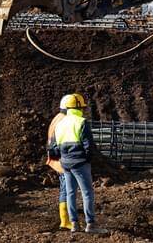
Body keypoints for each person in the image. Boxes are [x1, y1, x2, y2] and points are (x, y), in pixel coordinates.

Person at [48, 93, 107, 235]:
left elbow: (53, 147)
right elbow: (89, 145)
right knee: (87, 193)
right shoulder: (81, 122)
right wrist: (87, 159)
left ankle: (74, 224)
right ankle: (90, 224)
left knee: (70, 193)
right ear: (80, 107)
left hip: (65, 163)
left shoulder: (60, 123)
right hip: (80, 163)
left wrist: (63, 157)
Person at [46, 97, 71, 231]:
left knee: (65, 188)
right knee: (66, 189)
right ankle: (65, 221)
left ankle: (65, 219)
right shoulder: (63, 120)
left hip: (57, 160)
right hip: (61, 161)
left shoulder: (58, 117)